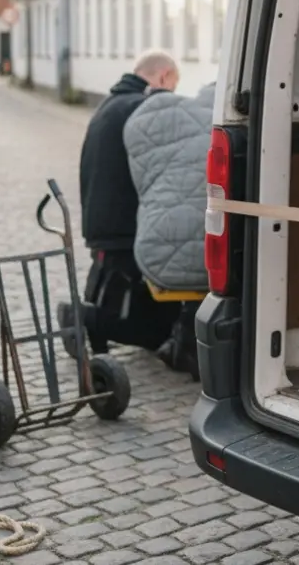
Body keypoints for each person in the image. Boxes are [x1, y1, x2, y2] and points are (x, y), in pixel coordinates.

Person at [64, 50, 182, 361]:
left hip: (101, 217)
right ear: (163, 77)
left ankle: (93, 326)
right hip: (124, 222)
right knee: (153, 324)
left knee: (115, 290)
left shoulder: (112, 103)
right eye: (173, 86)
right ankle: (87, 318)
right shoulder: (141, 107)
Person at [123, 82, 217, 378]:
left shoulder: (152, 119)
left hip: (156, 252)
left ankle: (183, 345)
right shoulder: (221, 122)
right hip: (221, 255)